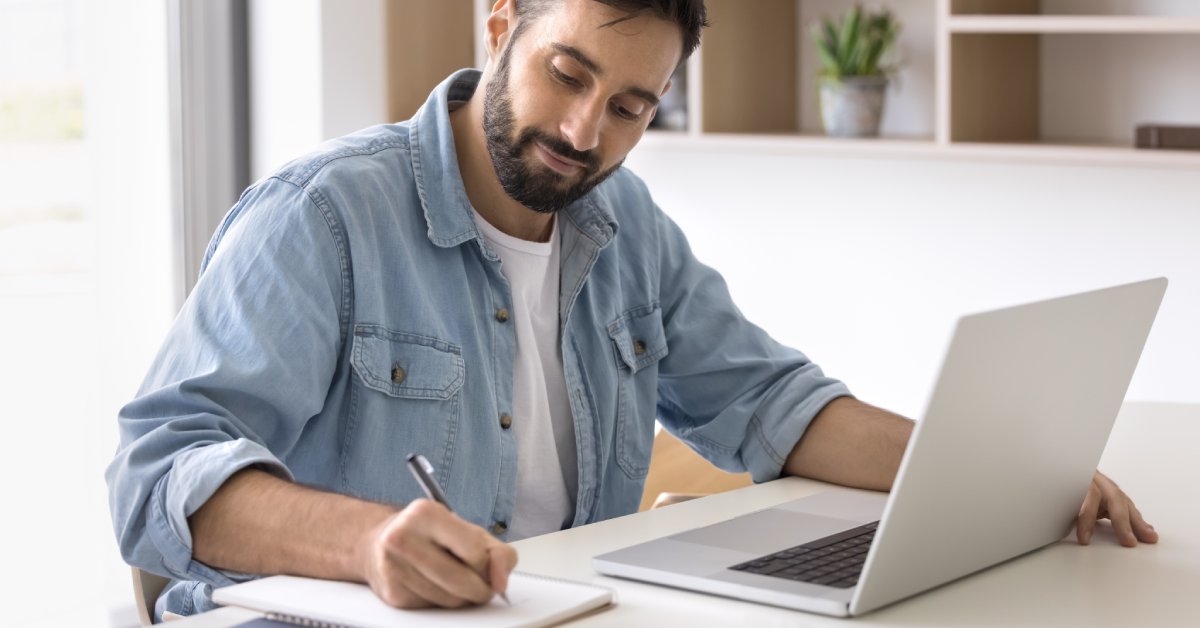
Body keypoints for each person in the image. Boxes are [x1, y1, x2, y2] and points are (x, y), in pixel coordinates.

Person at [106, 0, 1158, 619]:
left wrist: (1004, 473)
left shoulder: (624, 226)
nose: (582, 131)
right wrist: (367, 542)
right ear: (502, 22)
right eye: (569, 74)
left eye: (629, 107)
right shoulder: (325, 215)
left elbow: (773, 404)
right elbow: (155, 471)